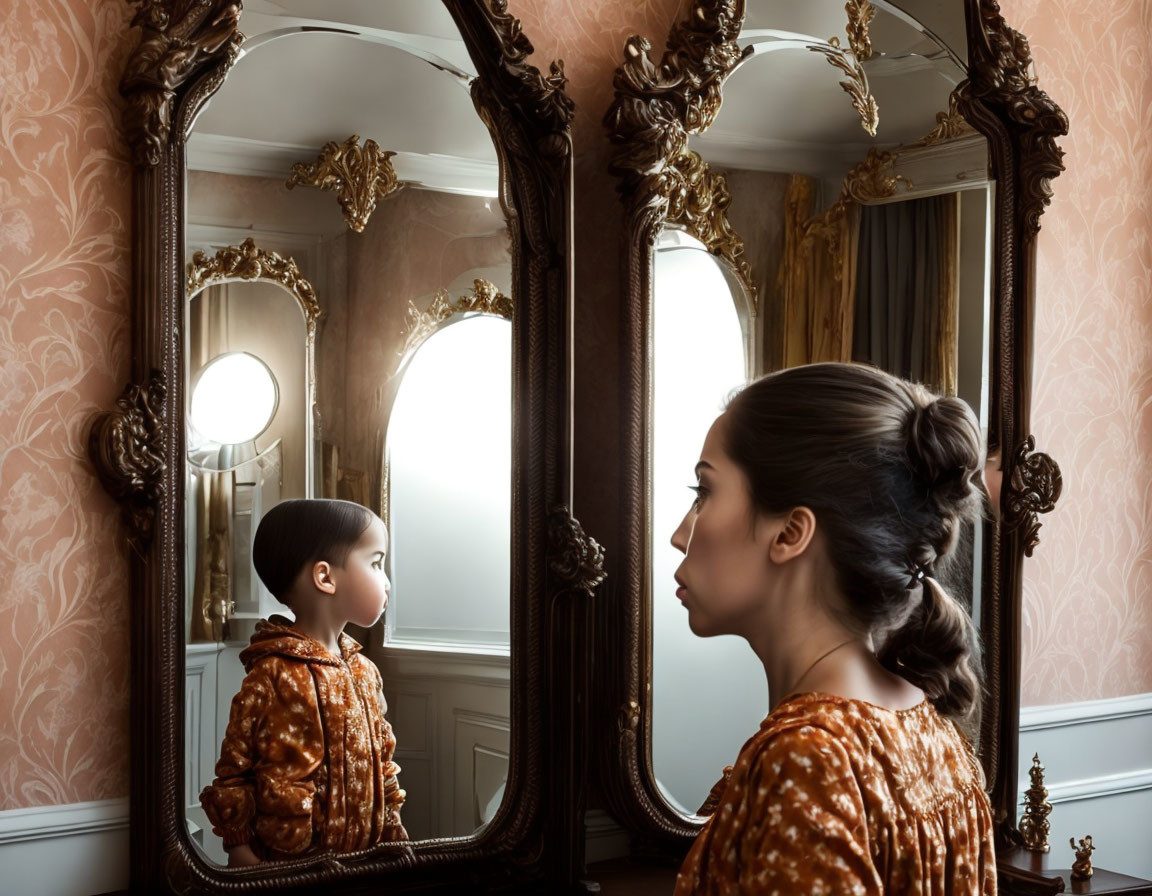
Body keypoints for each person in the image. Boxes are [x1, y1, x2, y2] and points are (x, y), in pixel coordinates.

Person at [671, 363, 996, 894]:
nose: (681, 534)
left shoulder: (809, 759)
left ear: (791, 532)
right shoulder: (935, 734)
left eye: (703, 491)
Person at [200, 499, 407, 866]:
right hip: (289, 868)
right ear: (326, 578)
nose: (386, 580)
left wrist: (393, 832)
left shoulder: (365, 671)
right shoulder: (272, 675)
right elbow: (234, 773)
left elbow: (383, 763)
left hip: (363, 864)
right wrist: (239, 849)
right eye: (376, 563)